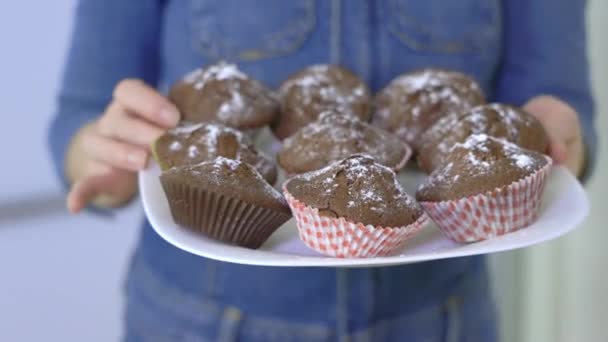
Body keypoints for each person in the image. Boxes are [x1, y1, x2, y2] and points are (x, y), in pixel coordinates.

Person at [49, 1, 597, 341]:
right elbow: (79, 115)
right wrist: (99, 154)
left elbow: (564, 110)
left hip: (441, 319)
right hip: (197, 320)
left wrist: (564, 139)